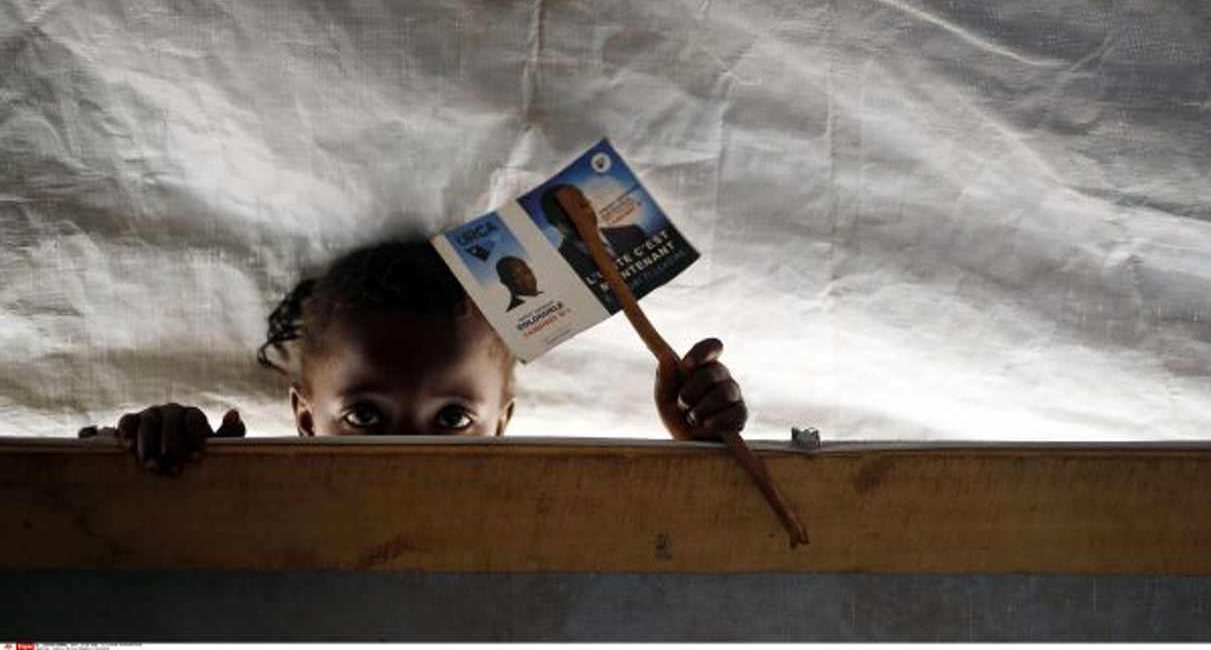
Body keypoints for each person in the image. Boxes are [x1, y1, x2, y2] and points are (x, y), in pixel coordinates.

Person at [109, 238, 747, 474]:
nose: (405, 451)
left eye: (451, 419)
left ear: (502, 423)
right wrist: (167, 452)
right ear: (306, 419)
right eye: (363, 416)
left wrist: (694, 454)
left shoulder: (537, 506)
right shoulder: (257, 496)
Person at [538, 184, 648, 281]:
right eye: (567, 215)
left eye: (583, 206)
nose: (580, 217)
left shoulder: (633, 233)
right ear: (553, 223)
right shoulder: (563, 268)